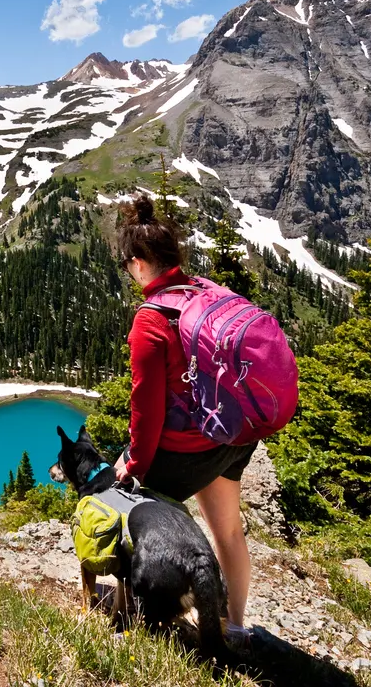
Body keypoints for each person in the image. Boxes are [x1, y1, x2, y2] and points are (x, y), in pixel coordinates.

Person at [114, 193, 255, 645]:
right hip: (233, 434)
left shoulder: (150, 320)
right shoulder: (207, 290)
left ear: (138, 264)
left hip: (193, 447)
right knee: (229, 531)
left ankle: (144, 613)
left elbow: (147, 409)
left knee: (128, 510)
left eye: (127, 268)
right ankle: (235, 626)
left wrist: (132, 466)